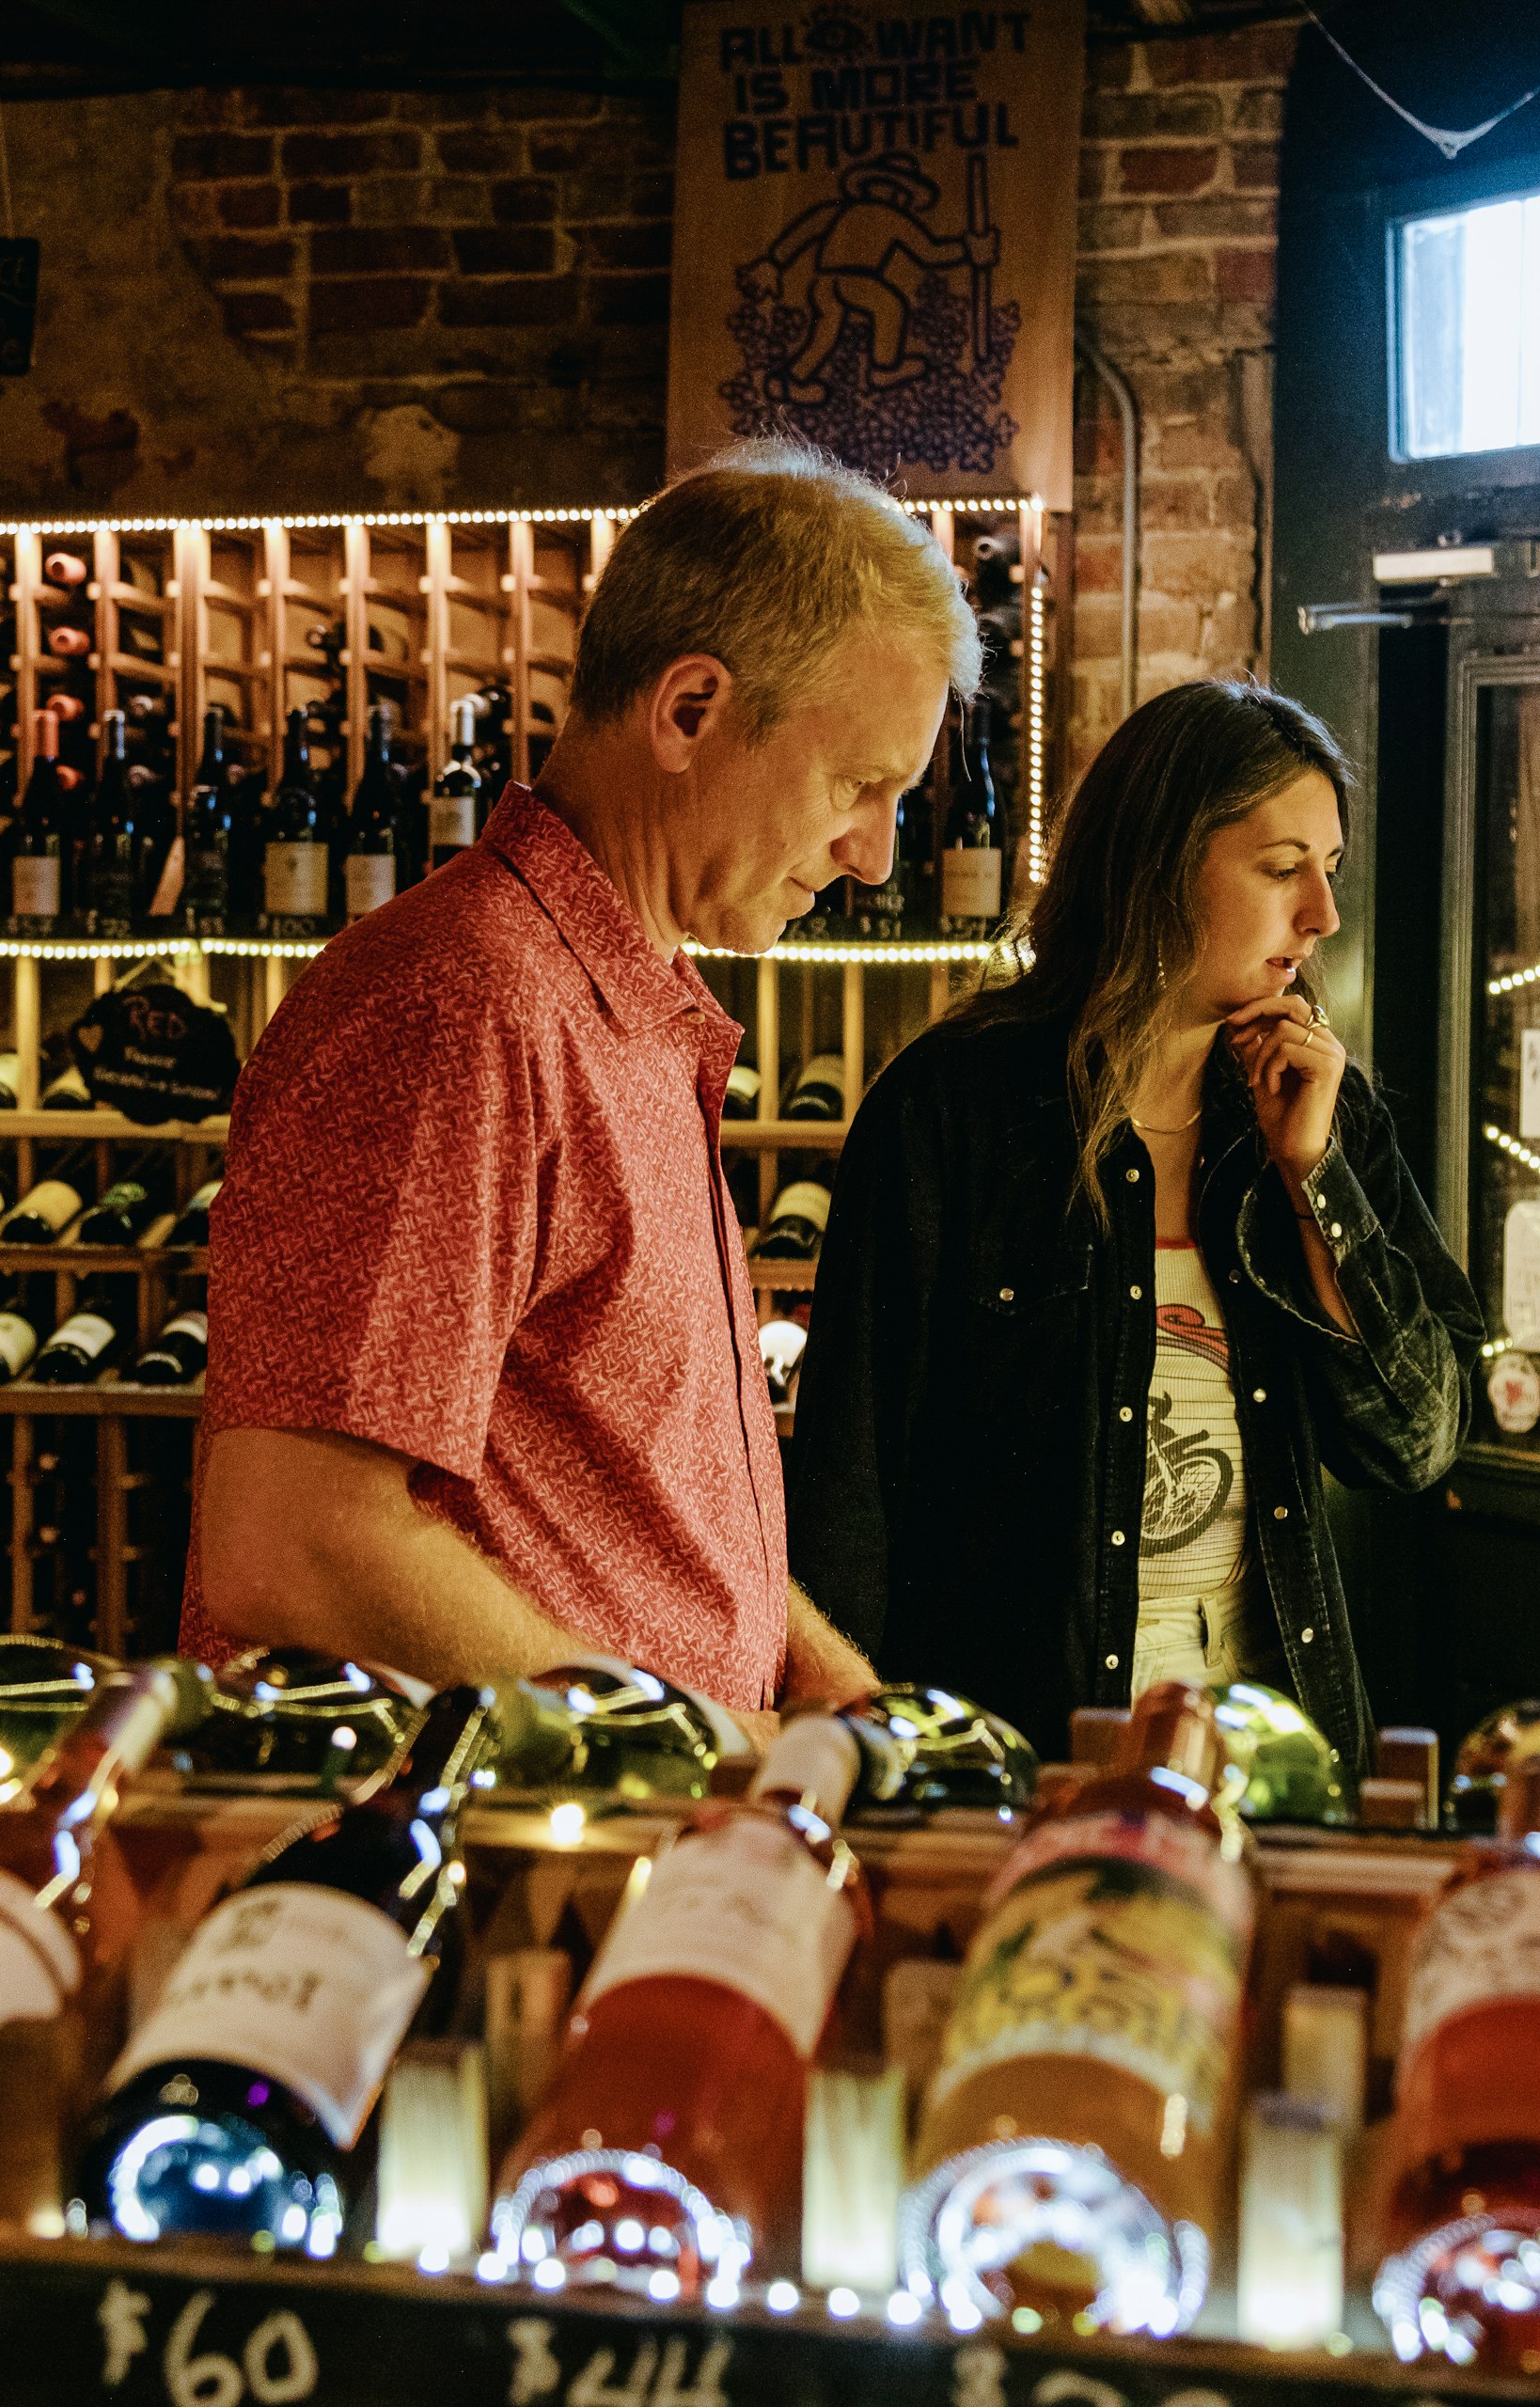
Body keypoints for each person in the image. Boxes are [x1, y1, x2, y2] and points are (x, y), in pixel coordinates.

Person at [183, 440, 977, 1736]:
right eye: (859, 784)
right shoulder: (462, 1008)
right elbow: (298, 1538)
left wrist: (792, 1650)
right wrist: (660, 1743)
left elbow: (614, 1485)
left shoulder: (617, 1007)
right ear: (688, 711)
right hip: (459, 1869)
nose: (876, 853)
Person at [787, 681, 1484, 1770]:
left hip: (1274, 1770)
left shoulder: (1320, 1114)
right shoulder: (950, 1111)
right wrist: (862, 1766)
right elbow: (846, 1494)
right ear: (1161, 859)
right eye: (1281, 866)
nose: (1323, 915)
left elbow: (1416, 1444)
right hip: (1022, 1772)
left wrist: (1314, 1175)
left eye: (1330, 870)